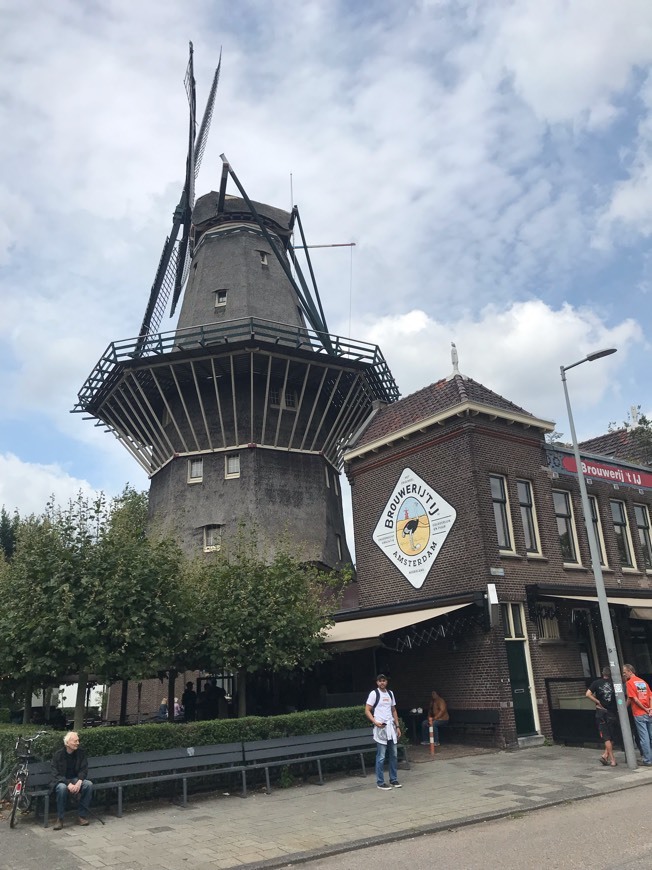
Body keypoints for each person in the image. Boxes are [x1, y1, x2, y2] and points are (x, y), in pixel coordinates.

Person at [365, 674, 402, 790]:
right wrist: (375, 721)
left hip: (391, 727)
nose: (382, 683)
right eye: (380, 681)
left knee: (394, 754)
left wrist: (397, 726)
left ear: (386, 682)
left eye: (384, 681)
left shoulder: (390, 693)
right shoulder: (374, 694)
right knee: (381, 756)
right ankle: (380, 782)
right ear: (377, 682)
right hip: (381, 727)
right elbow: (367, 710)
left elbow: (393, 710)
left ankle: (393, 779)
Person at [50, 731, 93, 829]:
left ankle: (81, 816)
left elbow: (84, 769)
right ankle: (60, 819)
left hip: (76, 780)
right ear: (67, 743)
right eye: (75, 741)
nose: (78, 743)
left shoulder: (81, 753)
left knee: (88, 785)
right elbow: (55, 774)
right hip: (62, 781)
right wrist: (68, 784)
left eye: (78, 740)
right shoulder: (58, 755)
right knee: (62, 788)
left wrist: (79, 781)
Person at [586, 666, 618, 767]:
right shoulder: (615, 683)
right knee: (611, 736)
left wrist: (597, 701)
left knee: (606, 737)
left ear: (602, 673)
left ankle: (611, 759)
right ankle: (606, 756)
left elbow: (587, 694)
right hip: (612, 712)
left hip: (601, 712)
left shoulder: (596, 683)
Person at [623, 663, 652, 766]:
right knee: (651, 735)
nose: (624, 674)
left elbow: (633, 699)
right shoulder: (642, 682)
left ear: (630, 671)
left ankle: (648, 760)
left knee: (644, 738)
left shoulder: (629, 683)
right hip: (649, 713)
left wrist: (623, 709)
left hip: (639, 713)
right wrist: (650, 709)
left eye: (625, 672)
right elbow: (650, 696)